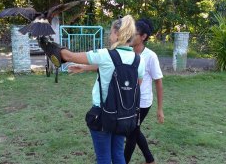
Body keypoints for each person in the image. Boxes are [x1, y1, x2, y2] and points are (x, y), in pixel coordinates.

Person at [68, 18, 164, 164]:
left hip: (130, 105)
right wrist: (85, 68)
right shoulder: (136, 58)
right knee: (124, 143)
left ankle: (148, 159)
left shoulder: (147, 56)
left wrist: (159, 108)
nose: (109, 35)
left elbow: (157, 80)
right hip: (123, 107)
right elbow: (114, 67)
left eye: (111, 32)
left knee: (130, 137)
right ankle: (146, 159)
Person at [124, 18, 164, 164]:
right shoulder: (127, 52)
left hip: (143, 103)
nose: (130, 36)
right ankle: (150, 159)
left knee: (131, 134)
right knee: (133, 130)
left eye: (134, 34)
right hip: (128, 101)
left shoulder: (150, 56)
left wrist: (160, 109)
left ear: (143, 37)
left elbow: (158, 82)